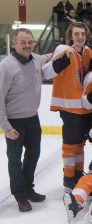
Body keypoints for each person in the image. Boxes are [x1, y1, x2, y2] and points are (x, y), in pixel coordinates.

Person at [42, 22, 92, 191]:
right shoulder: (62, 50)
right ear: (70, 36)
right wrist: (65, 58)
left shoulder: (87, 52)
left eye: (82, 34)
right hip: (68, 107)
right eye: (76, 34)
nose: (80, 37)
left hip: (83, 107)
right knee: (71, 144)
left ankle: (78, 173)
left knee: (80, 143)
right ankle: (68, 177)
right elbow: (47, 72)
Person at [0, 28, 48, 212]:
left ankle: (28, 188)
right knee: (15, 160)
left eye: (30, 42)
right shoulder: (6, 66)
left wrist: (68, 49)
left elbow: (49, 56)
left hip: (33, 119)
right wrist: (6, 127)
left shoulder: (35, 58)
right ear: (14, 44)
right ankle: (20, 196)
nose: (27, 45)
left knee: (33, 154)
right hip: (14, 122)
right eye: (23, 42)